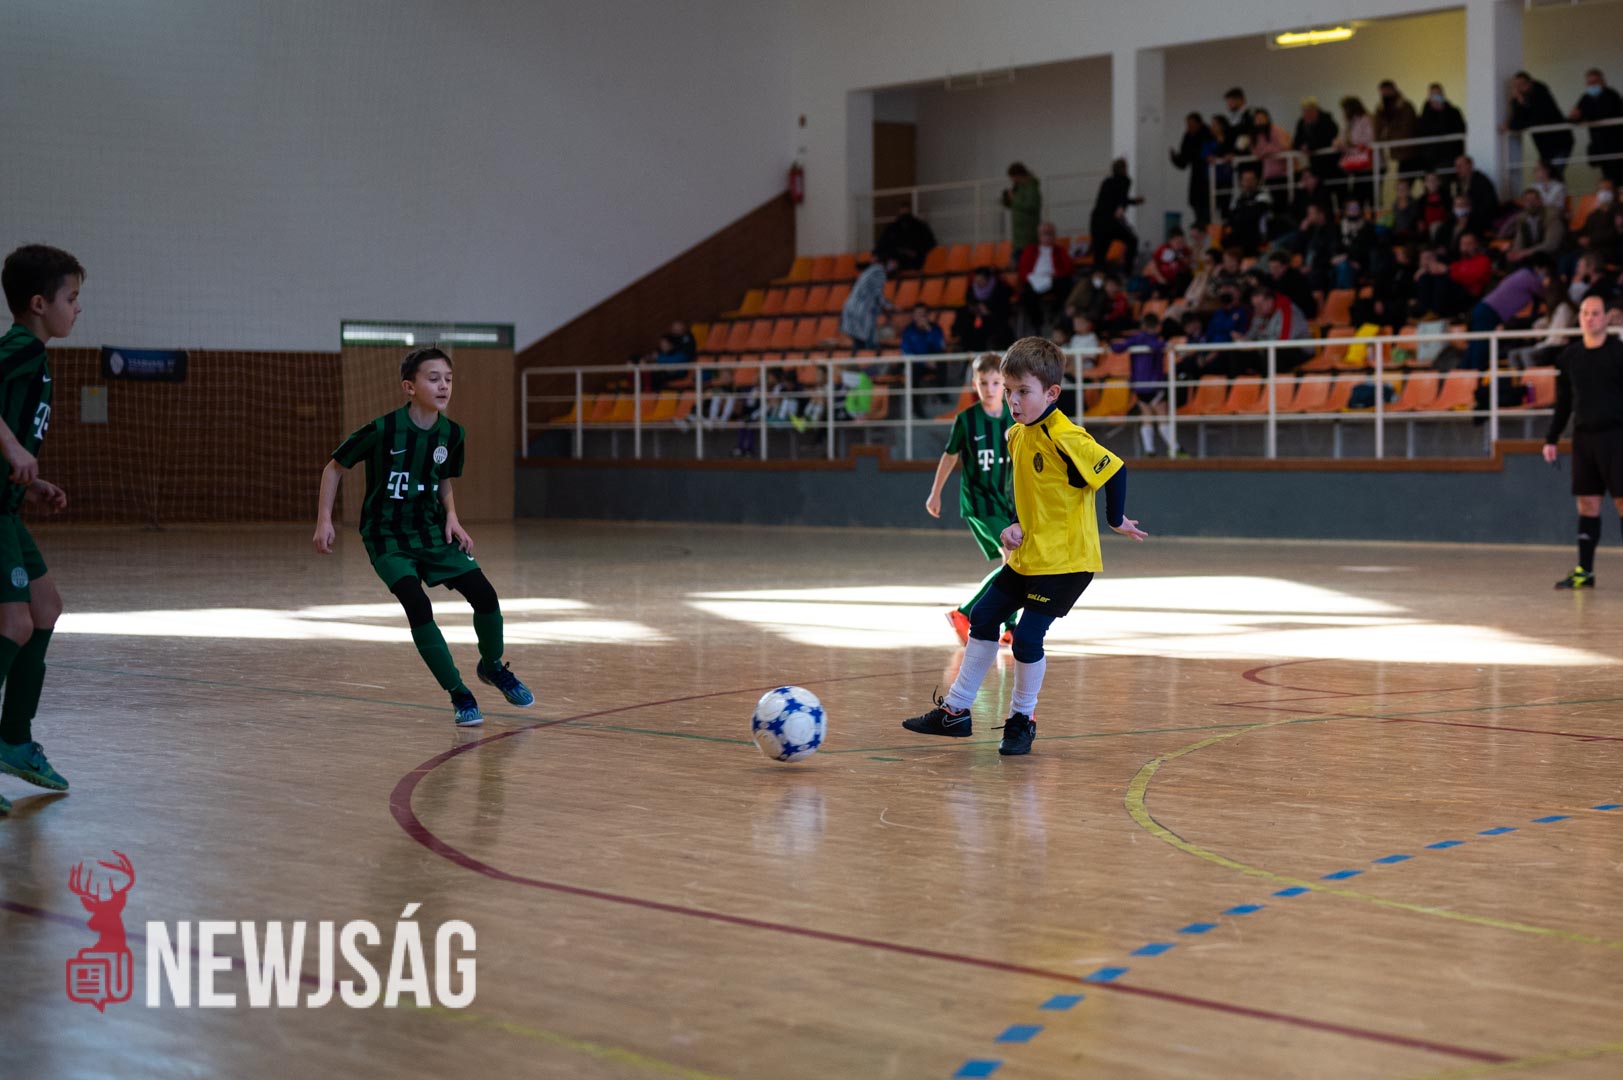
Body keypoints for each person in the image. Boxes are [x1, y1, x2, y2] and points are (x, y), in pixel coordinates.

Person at [901, 336, 1146, 755]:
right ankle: (955, 711)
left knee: (1028, 638)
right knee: (983, 617)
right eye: (1009, 391)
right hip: (1030, 555)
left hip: (1066, 563)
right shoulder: (1016, 434)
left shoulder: (1065, 435)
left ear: (1052, 393)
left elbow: (1115, 469)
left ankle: (1021, 719)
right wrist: (1015, 522)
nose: (1013, 400)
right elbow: (1030, 489)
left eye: (1023, 392)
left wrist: (1115, 519)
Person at [314, 346, 534, 727]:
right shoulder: (382, 430)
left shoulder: (452, 433)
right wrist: (324, 520)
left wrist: (453, 517)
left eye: (448, 379)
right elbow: (333, 469)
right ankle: (459, 694)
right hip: (387, 537)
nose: (443, 385)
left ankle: (492, 666)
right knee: (418, 605)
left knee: (485, 596)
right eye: (433, 379)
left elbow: (442, 479)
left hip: (432, 531)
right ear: (409, 387)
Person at [0, 245, 80, 811]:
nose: (77, 309)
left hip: (7, 506)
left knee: (45, 607)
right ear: (37, 303)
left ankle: (14, 739)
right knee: (14, 623)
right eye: (71, 298)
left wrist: (28, 482)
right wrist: (12, 449)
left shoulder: (33, 354)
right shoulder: (20, 347)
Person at [926, 354, 1021, 647]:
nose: (990, 389)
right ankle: (965, 612)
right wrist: (935, 492)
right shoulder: (966, 420)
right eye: (983, 383)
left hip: (1006, 501)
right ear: (974, 384)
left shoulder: (1014, 419)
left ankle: (1009, 626)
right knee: (1014, 557)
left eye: (996, 382)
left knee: (1018, 562)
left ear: (1005, 384)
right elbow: (949, 455)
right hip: (980, 502)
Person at [1544, 295, 1623, 588]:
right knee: (1587, 503)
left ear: (1606, 318)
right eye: (1585, 313)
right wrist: (1551, 438)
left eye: (1596, 313)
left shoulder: (1618, 352)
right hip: (1584, 439)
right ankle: (1585, 571)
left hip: (1617, 437)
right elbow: (1564, 402)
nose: (1590, 318)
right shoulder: (1570, 357)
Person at [1464, 254, 1552, 371]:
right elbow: (1546, 294)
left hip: (1485, 310)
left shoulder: (1521, 274)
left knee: (1475, 348)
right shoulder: (1528, 277)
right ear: (1541, 267)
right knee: (1480, 349)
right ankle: (1473, 376)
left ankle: (1465, 373)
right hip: (1489, 312)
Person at [1112, 315, 1178, 456]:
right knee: (1162, 417)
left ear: (1143, 325)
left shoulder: (1135, 339)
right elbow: (1155, 345)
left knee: (1147, 417)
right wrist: (1165, 345)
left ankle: (1150, 450)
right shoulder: (1155, 340)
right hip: (1154, 384)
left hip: (1139, 385)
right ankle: (1175, 449)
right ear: (1157, 327)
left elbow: (1118, 347)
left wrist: (1110, 346)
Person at [1508, 70, 1574, 179]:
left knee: (1553, 175)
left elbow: (1538, 118)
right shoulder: (1520, 99)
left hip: (1560, 142)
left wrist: (1523, 105)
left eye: (1522, 84)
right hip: (1544, 147)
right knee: (1549, 176)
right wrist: (1519, 104)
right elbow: (1516, 123)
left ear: (1530, 83)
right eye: (1516, 86)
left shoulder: (1540, 91)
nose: (1519, 88)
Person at [1017, 221, 1075, 337]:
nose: (1047, 237)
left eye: (1050, 234)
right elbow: (1022, 270)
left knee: (1065, 285)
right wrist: (1031, 277)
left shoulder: (1060, 251)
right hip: (1035, 281)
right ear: (1039, 236)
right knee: (1026, 295)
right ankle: (1037, 324)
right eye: (1044, 234)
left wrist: (1055, 275)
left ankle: (1057, 317)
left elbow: (1069, 269)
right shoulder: (1030, 250)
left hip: (1054, 280)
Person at [1570, 68, 1623, 185]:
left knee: (1619, 175)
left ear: (1603, 82)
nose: (1592, 85)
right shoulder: (1586, 97)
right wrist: (1574, 116)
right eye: (1590, 83)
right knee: (1608, 178)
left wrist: (1584, 115)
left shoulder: (1612, 95)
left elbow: (1605, 113)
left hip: (1616, 144)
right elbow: (1576, 116)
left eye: (1595, 82)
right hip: (1599, 146)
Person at [1090, 158, 1144, 270]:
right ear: (1124, 169)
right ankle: (1127, 270)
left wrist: (1132, 202)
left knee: (1100, 254)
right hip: (1110, 221)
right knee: (1132, 240)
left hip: (1097, 220)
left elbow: (1110, 199)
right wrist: (1123, 208)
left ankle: (1098, 275)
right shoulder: (1125, 180)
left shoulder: (1106, 182)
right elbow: (1121, 198)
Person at [840, 253, 897, 348]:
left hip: (855, 310)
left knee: (860, 343)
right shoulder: (879, 271)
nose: (895, 266)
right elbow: (877, 295)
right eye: (894, 263)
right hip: (860, 312)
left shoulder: (870, 270)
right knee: (869, 344)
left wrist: (886, 310)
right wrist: (890, 307)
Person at [1169, 112, 1216, 225]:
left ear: (1199, 124)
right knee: (1196, 204)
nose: (1189, 127)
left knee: (1208, 204)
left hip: (1208, 174)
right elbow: (1183, 161)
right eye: (1187, 125)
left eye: (1191, 124)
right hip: (1196, 175)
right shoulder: (1188, 136)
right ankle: (1199, 224)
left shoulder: (1208, 134)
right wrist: (1174, 158)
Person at [955, 266, 1014, 352]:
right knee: (964, 318)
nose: (978, 282)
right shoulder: (972, 289)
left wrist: (988, 311)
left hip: (996, 319)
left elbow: (1004, 308)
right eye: (976, 280)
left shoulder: (999, 288)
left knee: (1000, 327)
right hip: (977, 318)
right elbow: (969, 302)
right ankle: (969, 348)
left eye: (981, 280)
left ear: (987, 279)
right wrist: (977, 309)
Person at [1416, 83, 1467, 174]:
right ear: (1429, 97)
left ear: (1443, 96)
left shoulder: (1454, 113)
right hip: (1429, 158)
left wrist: (1442, 113)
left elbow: (1459, 130)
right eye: (1433, 95)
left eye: (1438, 95)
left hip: (1450, 155)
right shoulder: (1423, 116)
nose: (1436, 98)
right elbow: (1423, 133)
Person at [1336, 96, 1376, 208]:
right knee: (1357, 194)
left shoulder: (1366, 119)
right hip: (1355, 164)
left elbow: (1369, 139)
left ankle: (1373, 216)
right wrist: (1339, 142)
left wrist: (1350, 142)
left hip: (1368, 164)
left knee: (1370, 195)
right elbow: (1342, 137)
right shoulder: (1347, 122)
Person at [1002, 162, 1042, 253]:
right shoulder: (1019, 188)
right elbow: (1012, 205)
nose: (1012, 180)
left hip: (1028, 236)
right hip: (1018, 237)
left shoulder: (1031, 188)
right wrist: (1007, 198)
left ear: (1019, 175)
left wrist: (1014, 199)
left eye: (1013, 177)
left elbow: (1032, 205)